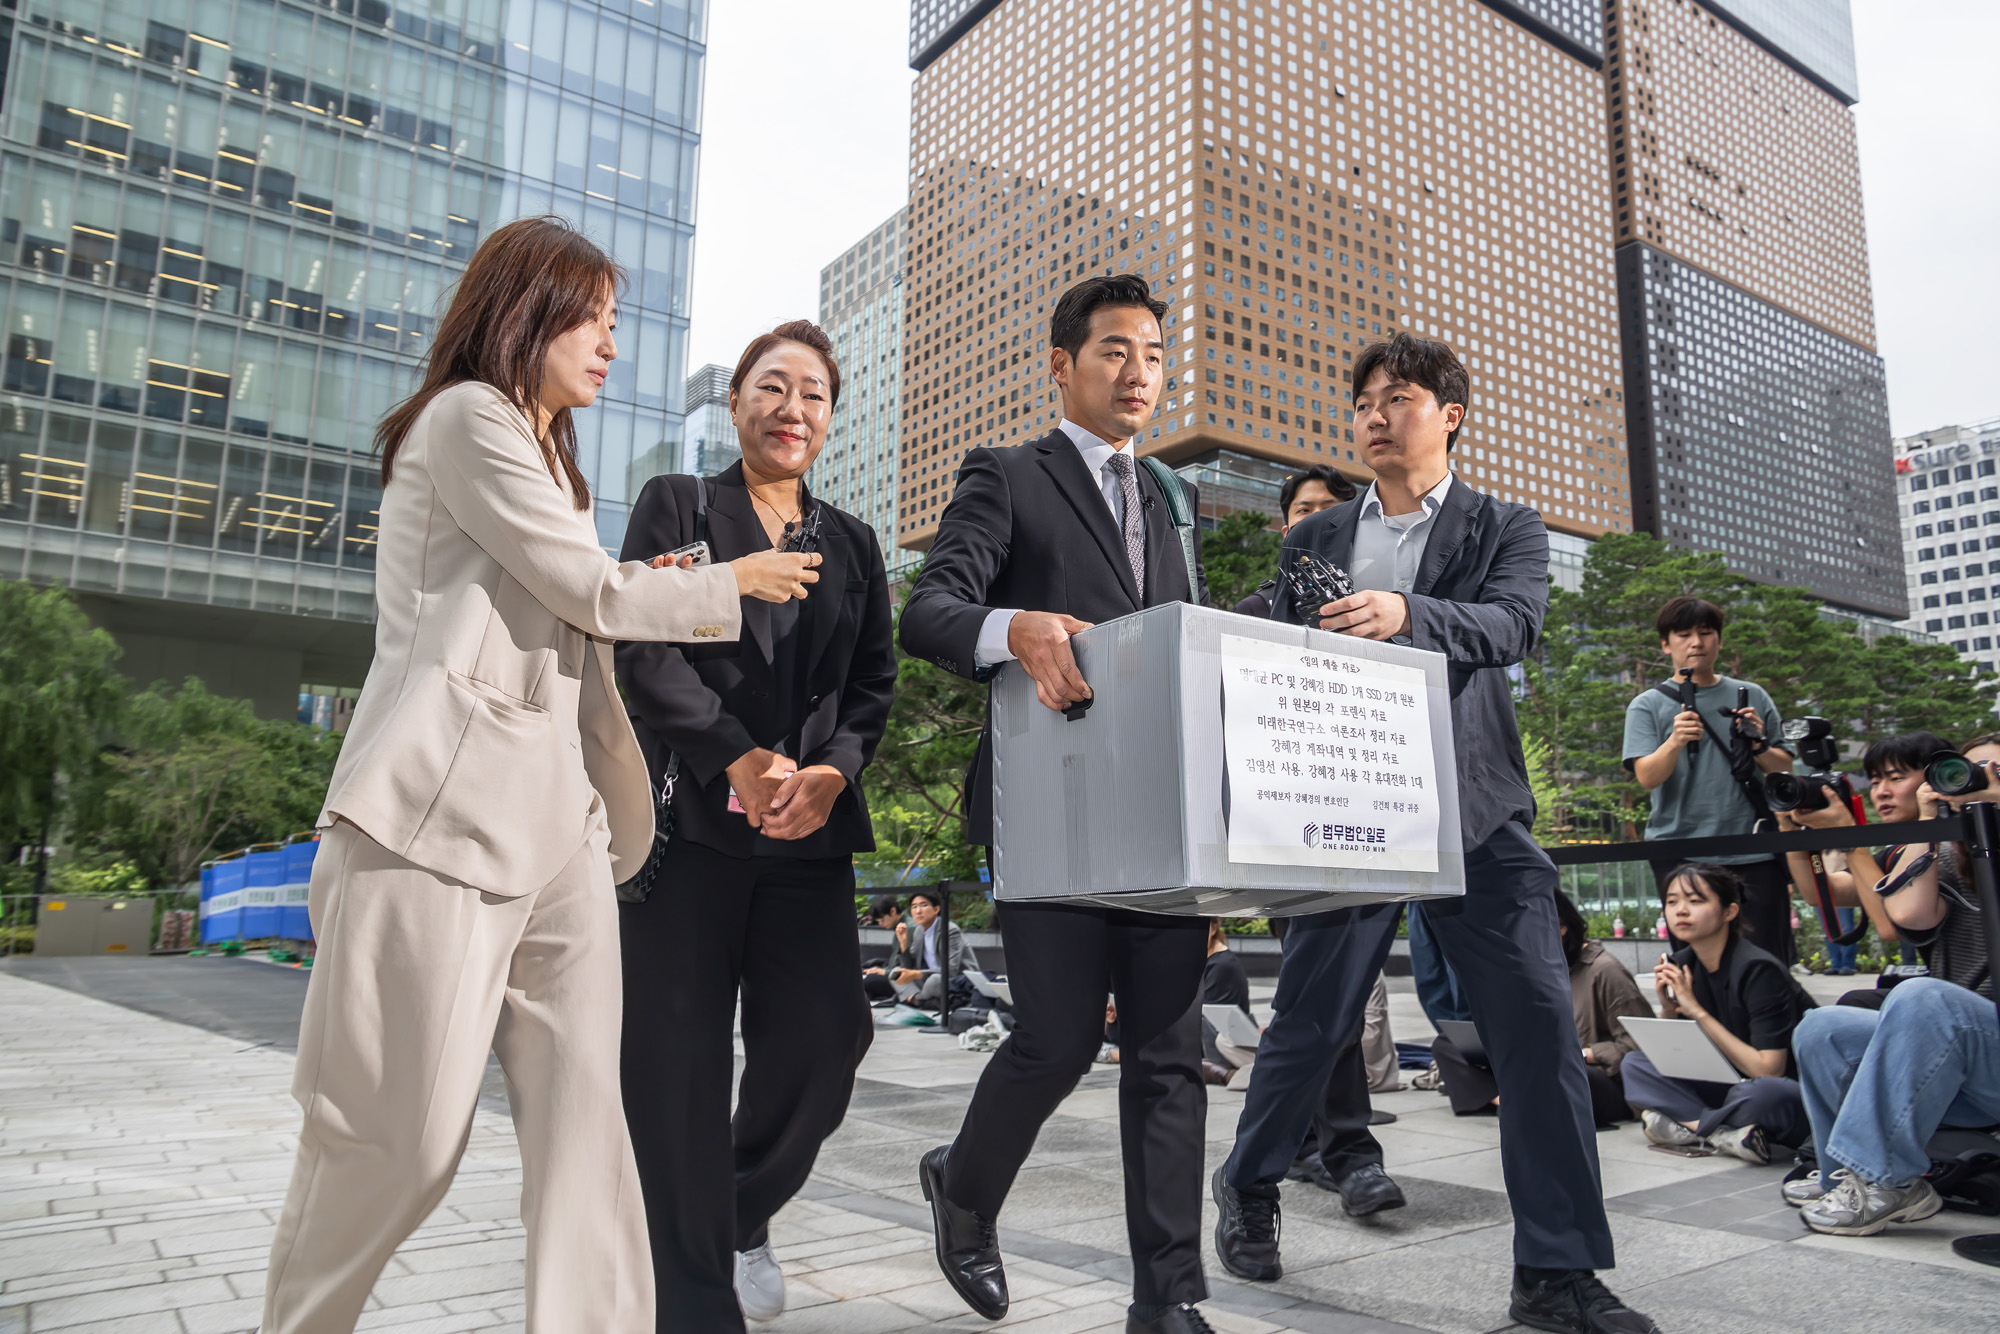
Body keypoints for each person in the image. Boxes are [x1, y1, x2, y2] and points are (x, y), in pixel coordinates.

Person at [257, 218, 818, 1334]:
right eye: (594, 319)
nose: (611, 345)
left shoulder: (550, 454)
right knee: (398, 1138)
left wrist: (627, 581)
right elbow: (582, 588)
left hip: (560, 822)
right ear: (526, 307)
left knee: (584, 1135)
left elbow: (570, 603)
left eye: (617, 325)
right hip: (435, 821)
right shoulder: (468, 417)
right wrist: (720, 579)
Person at [1212, 332, 1659, 1334]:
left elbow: (1511, 624)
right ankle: (1245, 1180)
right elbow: (1268, 648)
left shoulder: (1504, 523)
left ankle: (1553, 1271)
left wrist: (1405, 612)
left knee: (1538, 1027)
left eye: (1398, 396)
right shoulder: (1310, 540)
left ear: (1449, 412)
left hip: (1474, 806)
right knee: (1314, 1017)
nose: (1374, 412)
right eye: (1363, 398)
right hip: (1347, 803)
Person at [899, 274, 1215, 1334]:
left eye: (1154, 355)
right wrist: (1013, 628)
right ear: (1061, 364)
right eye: (1116, 350)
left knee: (1169, 1052)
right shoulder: (1007, 475)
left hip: (1161, 818)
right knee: (1056, 1035)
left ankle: (1165, 1299)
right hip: (1050, 811)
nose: (1139, 373)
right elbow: (930, 608)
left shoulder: (1173, 499)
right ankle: (966, 1187)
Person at [615, 320, 895, 1331]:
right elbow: (643, 642)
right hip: (685, 833)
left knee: (828, 1038)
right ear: (735, 404)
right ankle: (690, 1299)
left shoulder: (851, 543)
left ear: (831, 415)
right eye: (771, 387)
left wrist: (829, 769)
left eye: (813, 393)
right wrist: (731, 750)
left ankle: (731, 1214)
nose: (791, 408)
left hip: (803, 841)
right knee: (675, 1064)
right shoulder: (680, 505)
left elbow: (871, 686)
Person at [1780, 735, 2000, 1230]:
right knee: (1823, 1027)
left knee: (1923, 997)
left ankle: (1884, 1178)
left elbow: (1883, 926)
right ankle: (1846, 1180)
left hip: (1982, 1044)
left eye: (1994, 772)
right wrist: (1932, 822)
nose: (1978, 781)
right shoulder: (1941, 851)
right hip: (1966, 1059)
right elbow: (1904, 915)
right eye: (1969, 771)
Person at [1623, 597, 1798, 964]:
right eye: (1684, 634)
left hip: (1754, 847)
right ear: (1666, 644)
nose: (1696, 643)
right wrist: (1674, 741)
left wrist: (1758, 743)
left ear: (1719, 640)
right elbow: (1646, 777)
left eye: (1705, 633)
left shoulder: (1750, 695)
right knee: (1694, 961)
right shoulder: (1647, 705)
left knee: (1767, 957)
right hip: (1680, 849)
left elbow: (1784, 769)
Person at [1617, 864, 1811, 1162]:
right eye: (1672, 902)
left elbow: (1769, 1069)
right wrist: (1669, 1012)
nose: (1681, 911)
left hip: (1780, 1091)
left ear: (1729, 911)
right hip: (1726, 1085)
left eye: (1695, 901)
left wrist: (1696, 1012)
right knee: (1635, 1063)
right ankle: (1721, 1132)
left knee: (1763, 1094)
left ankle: (1692, 1124)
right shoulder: (1681, 963)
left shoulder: (1758, 969)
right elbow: (1675, 1055)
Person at [1431, 891, 1652, 1127]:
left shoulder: (1604, 970)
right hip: (1539, 1063)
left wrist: (1584, 1053)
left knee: (1557, 1072)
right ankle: (1505, 1100)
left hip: (1594, 1077)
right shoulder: (1532, 967)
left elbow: (1641, 1047)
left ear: (1561, 926)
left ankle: (1518, 1100)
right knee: (1448, 1044)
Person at [1778, 732, 1946, 985]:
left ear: (1936, 779)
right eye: (1876, 782)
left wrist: (1849, 839)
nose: (1881, 792)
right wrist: (1792, 834)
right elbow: (1819, 892)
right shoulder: (1896, 853)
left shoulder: (1951, 847)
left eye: (1896, 778)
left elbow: (1893, 926)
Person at [1232, 465, 1357, 619]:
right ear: (1286, 533)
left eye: (1329, 509)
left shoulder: (1375, 599)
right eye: (1304, 510)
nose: (1315, 519)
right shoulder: (1256, 609)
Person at [893, 886, 978, 1007]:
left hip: (957, 981)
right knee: (895, 974)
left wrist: (916, 974)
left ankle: (917, 999)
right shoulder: (918, 932)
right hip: (929, 979)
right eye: (914, 907)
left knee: (935, 980)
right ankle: (922, 1000)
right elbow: (908, 967)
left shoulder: (950, 930)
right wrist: (904, 944)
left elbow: (951, 970)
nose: (918, 911)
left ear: (936, 909)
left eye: (923, 905)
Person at [1201, 921, 1254, 1083]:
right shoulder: (1210, 959)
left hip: (1224, 1040)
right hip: (1218, 1037)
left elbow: (1204, 1013)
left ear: (1213, 928)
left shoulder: (1221, 964)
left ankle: (1224, 1074)